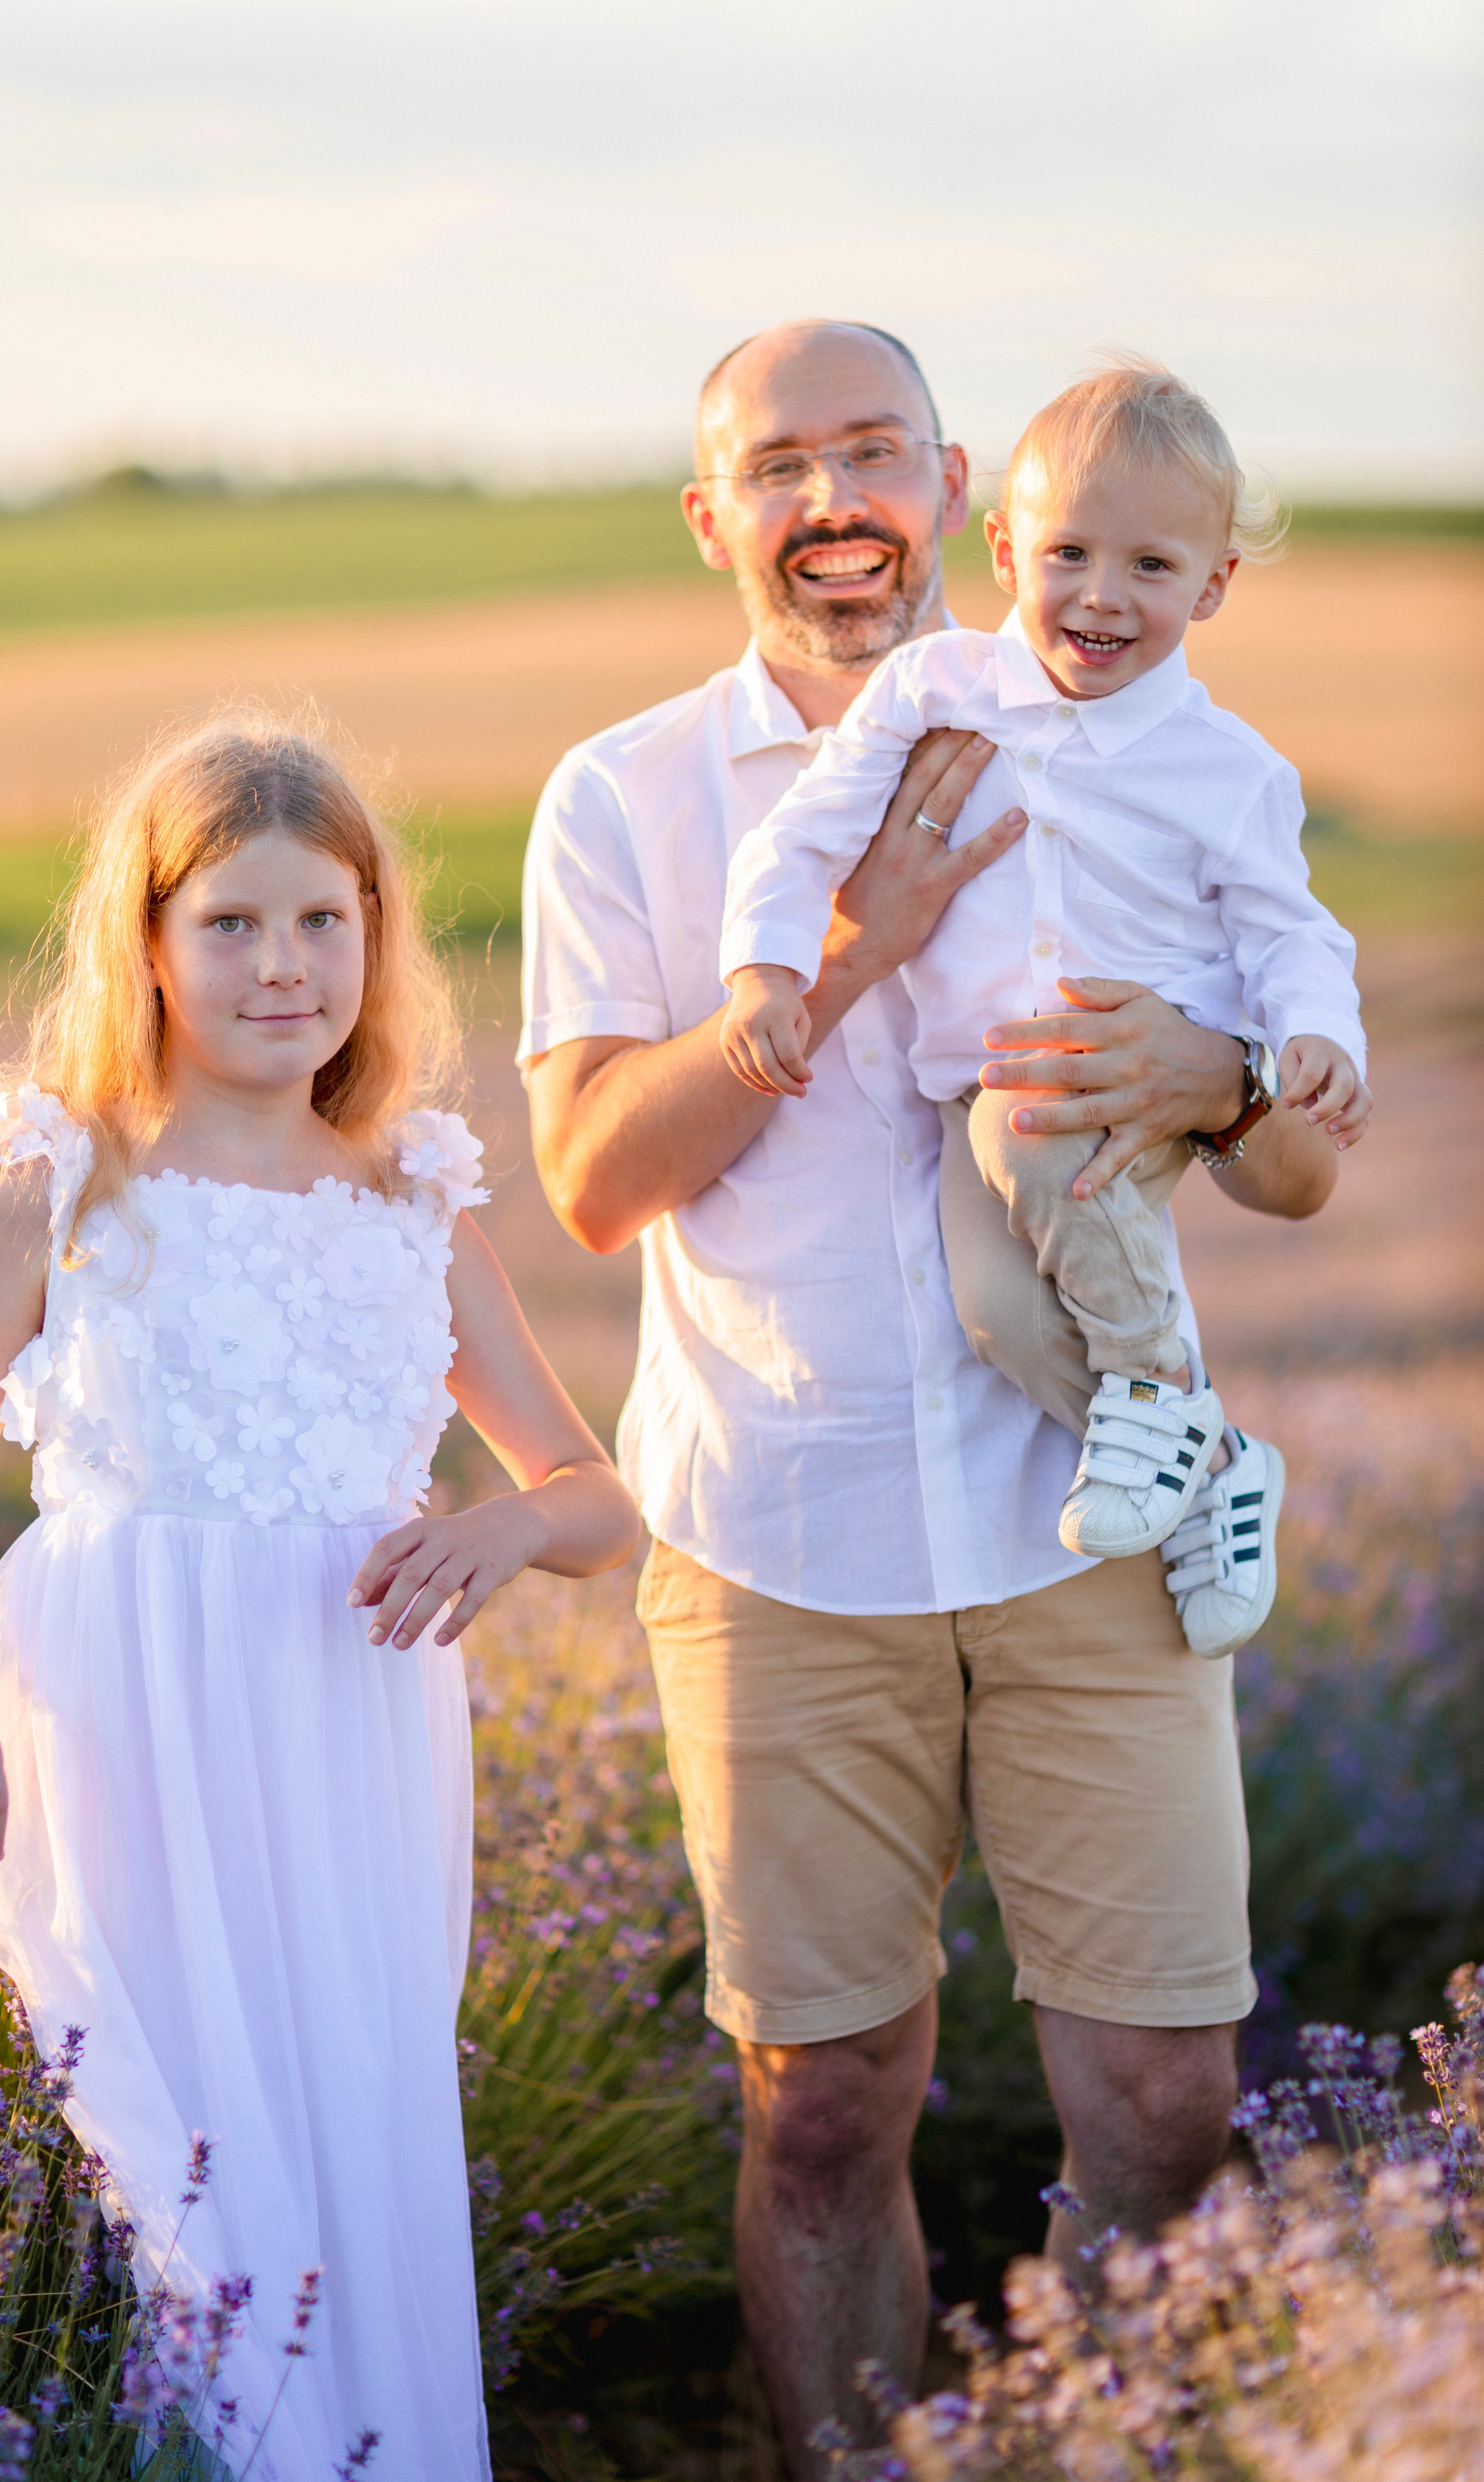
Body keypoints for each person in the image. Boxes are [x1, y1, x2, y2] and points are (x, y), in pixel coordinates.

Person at [520, 321, 1342, 2476]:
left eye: (872, 448)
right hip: (778, 1535)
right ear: (712, 518)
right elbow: (590, 1185)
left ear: (954, 487)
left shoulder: (1123, 732)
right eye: (779, 464)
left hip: (1099, 1518)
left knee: (1165, 2095)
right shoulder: (623, 797)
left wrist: (1225, 1076)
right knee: (823, 2104)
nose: (833, 498)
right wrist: (856, 942)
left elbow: (1300, 1176)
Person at [0, 714, 639, 2482]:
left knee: (346, 2119)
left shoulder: (410, 1201)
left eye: (321, 922)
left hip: (351, 1734)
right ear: (147, 943)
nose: (281, 965)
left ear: (374, 940)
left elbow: (600, 1499)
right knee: (179, 2155)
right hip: (120, 1720)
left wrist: (510, 1533)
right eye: (231, 923)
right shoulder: (58, 1185)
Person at [719, 356, 1369, 1648]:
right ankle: (1215, 1463)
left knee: (1022, 1132)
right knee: (1000, 1317)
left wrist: (1315, 1036)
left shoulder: (1228, 769)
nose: (1101, 595)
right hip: (983, 1090)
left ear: (1213, 584)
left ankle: (1155, 1389)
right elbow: (802, 835)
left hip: (1134, 1081)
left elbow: (1291, 931)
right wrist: (765, 969)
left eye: (1150, 566)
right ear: (1007, 552)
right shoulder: (934, 687)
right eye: (1069, 553)